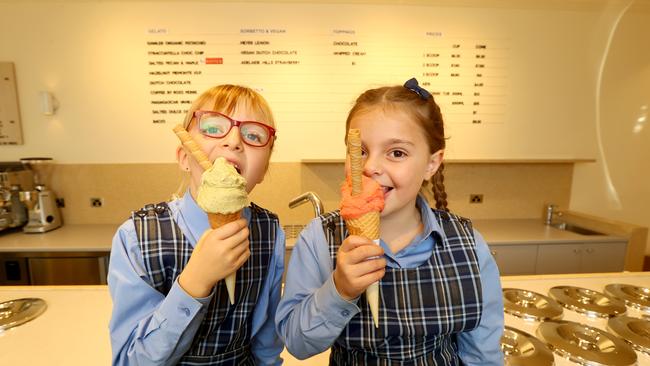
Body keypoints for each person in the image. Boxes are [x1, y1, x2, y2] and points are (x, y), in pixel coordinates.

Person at [276, 78, 504, 365]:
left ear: (431, 164)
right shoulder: (320, 239)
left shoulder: (470, 244)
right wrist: (339, 291)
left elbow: (481, 353)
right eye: (359, 151)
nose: (370, 167)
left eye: (397, 153)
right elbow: (297, 344)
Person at [108, 84, 284, 366]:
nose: (234, 141)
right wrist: (195, 282)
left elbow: (266, 342)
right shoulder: (136, 237)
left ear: (264, 170)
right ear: (184, 158)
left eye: (254, 135)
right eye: (213, 128)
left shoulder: (270, 232)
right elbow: (130, 360)